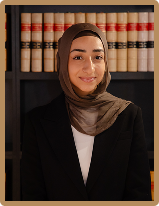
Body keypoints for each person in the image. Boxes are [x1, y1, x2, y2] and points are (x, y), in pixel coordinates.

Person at [21, 23, 152, 201]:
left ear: (106, 62)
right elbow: (32, 196)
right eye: (77, 57)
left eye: (97, 56)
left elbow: (139, 193)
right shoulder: (37, 121)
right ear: (62, 62)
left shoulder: (129, 115)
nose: (89, 67)